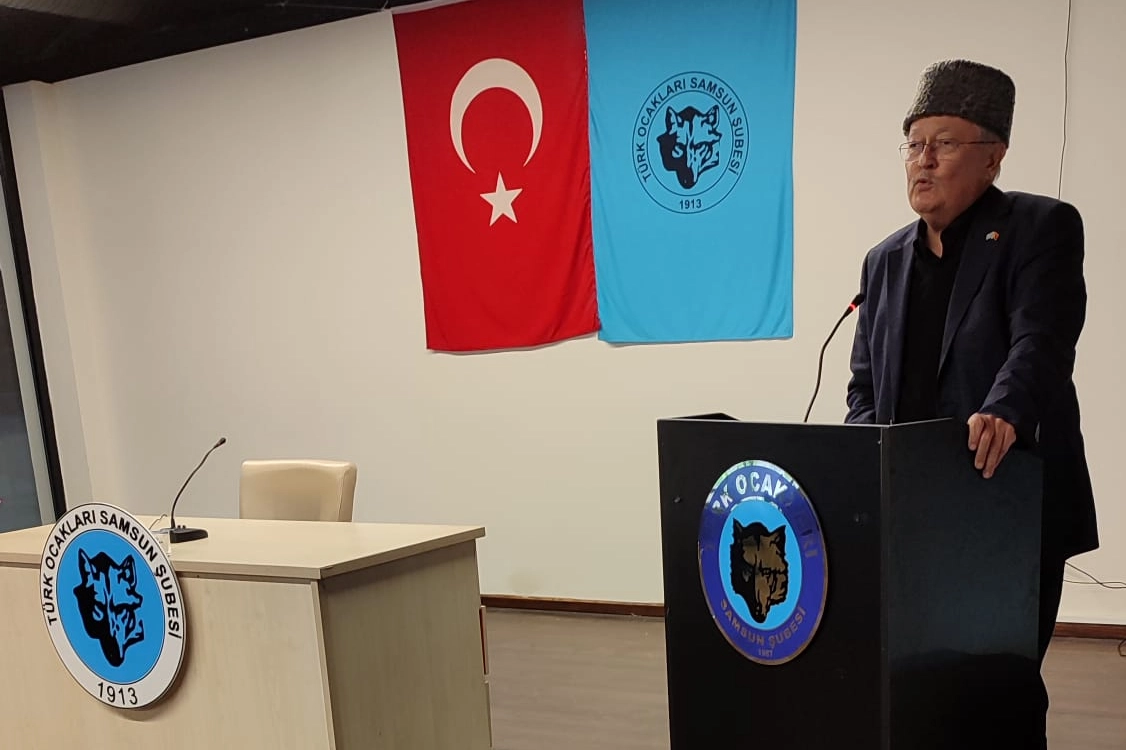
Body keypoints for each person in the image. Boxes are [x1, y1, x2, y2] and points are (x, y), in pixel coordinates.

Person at [844, 59, 1099, 747]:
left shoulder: (1040, 227)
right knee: (910, 692)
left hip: (1006, 504)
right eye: (914, 143)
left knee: (996, 697)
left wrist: (1005, 410)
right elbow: (864, 386)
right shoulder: (883, 261)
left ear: (993, 157)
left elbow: (1042, 340)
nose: (922, 160)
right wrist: (861, 455)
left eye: (945, 143)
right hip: (911, 515)